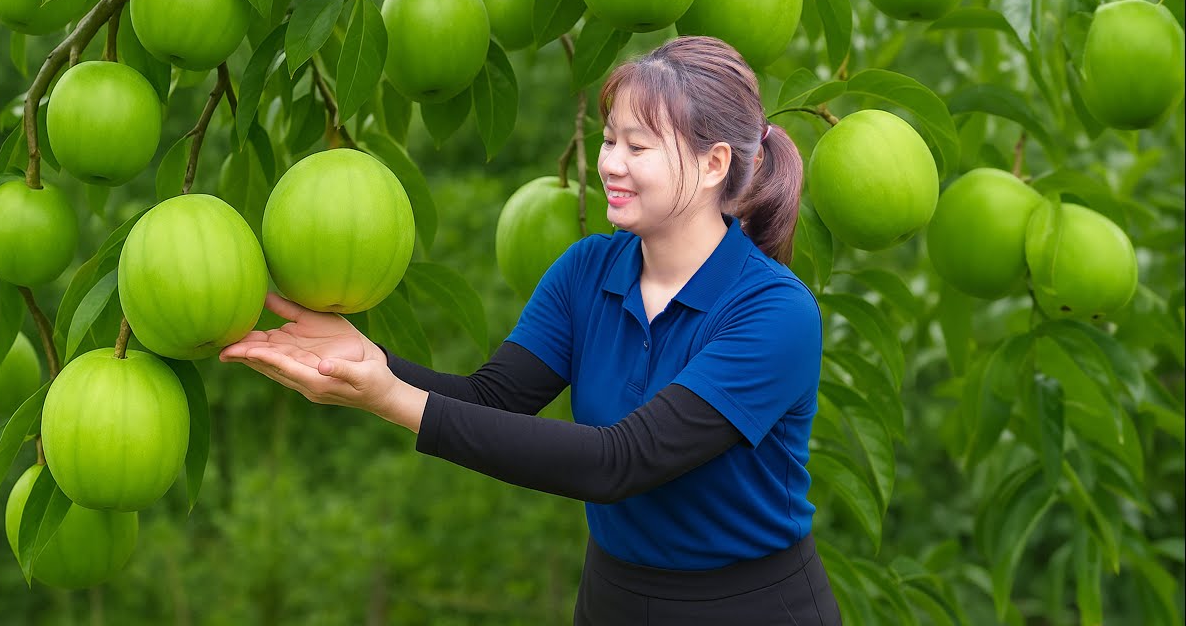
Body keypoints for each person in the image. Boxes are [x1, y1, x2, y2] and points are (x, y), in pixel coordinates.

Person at [220, 35, 842, 625]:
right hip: (614, 598)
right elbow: (491, 399)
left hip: (749, 608)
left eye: (638, 146)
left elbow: (619, 462)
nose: (609, 165)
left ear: (713, 164)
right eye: (608, 141)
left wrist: (392, 398)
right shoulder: (586, 271)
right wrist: (370, 360)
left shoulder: (775, 313)